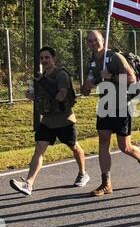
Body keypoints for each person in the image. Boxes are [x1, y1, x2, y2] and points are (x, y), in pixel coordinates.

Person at [81, 30, 140, 196]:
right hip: (105, 105)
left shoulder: (114, 57)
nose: (93, 43)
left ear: (103, 40)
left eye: (96, 40)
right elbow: (85, 90)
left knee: (125, 147)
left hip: (121, 105)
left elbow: (132, 80)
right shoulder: (91, 62)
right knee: (103, 141)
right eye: (90, 41)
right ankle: (106, 183)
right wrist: (87, 86)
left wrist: (111, 76)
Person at [10, 46, 90, 196]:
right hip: (47, 121)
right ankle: (29, 183)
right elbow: (42, 97)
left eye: (47, 57)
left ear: (54, 59)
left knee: (74, 147)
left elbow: (61, 95)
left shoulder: (61, 75)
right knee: (39, 149)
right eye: (42, 58)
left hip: (64, 120)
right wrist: (33, 96)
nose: (44, 60)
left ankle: (82, 173)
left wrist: (44, 91)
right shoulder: (40, 78)